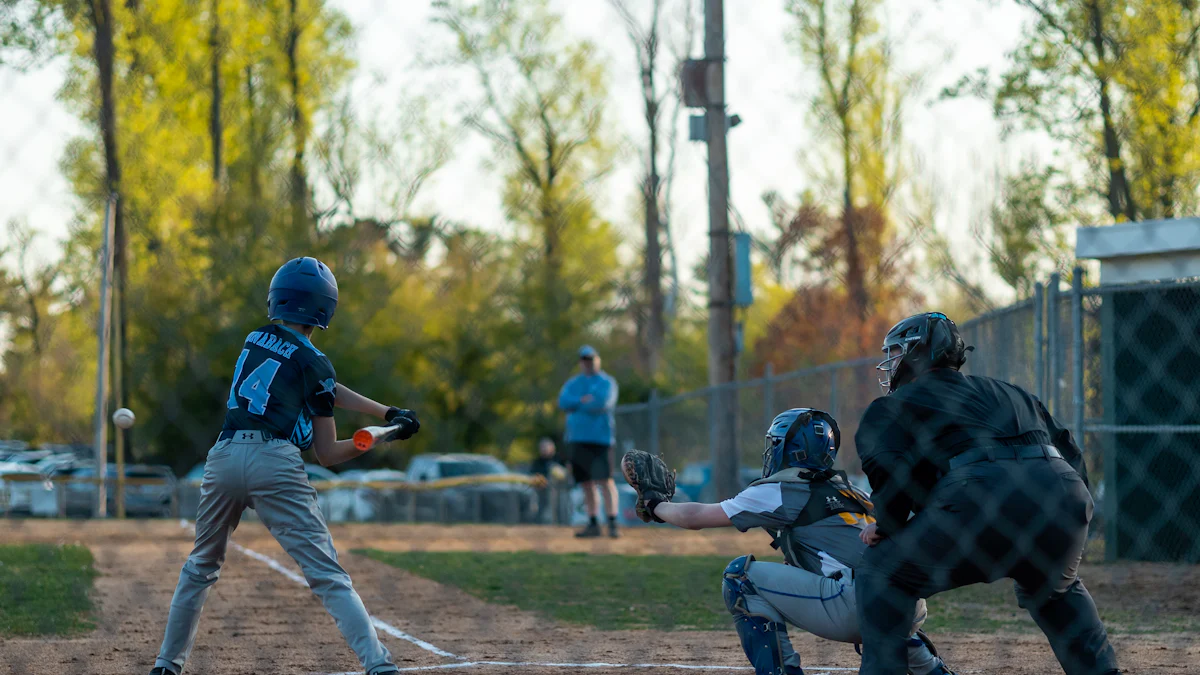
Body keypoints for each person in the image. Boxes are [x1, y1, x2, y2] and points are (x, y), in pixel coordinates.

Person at [148, 257, 420, 675]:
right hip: (274, 463)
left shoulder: (255, 337)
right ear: (325, 308)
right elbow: (326, 454)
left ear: (277, 300)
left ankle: (166, 665)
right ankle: (378, 665)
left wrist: (387, 413)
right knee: (326, 574)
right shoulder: (315, 363)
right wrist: (373, 442)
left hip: (221, 459)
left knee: (200, 566)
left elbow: (322, 387)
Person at [854, 312, 1121, 675]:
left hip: (980, 497)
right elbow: (1069, 451)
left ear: (918, 353)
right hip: (1062, 496)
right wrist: (1073, 523)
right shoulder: (1011, 392)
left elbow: (889, 465)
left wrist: (886, 524)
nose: (893, 361)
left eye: (899, 351)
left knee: (881, 571)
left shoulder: (893, 405)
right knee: (1056, 588)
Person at [621, 409, 956, 675]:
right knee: (879, 601)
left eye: (775, 443)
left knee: (740, 578)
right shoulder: (850, 489)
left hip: (854, 606)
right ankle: (932, 669)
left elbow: (697, 517)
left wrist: (655, 505)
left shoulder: (783, 488)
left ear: (789, 450)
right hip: (907, 604)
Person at [557, 345, 620, 538]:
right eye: (584, 360)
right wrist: (582, 401)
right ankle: (593, 523)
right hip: (577, 439)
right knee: (586, 483)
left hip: (600, 439)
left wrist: (578, 404)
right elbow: (563, 402)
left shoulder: (607, 382)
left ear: (598, 360)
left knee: (605, 480)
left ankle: (612, 522)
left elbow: (602, 403)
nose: (588, 363)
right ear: (580, 362)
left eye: (591, 359)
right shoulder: (573, 383)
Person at [529, 437, 567, 523]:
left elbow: (567, 474)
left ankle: (562, 523)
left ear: (552, 447)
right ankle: (542, 523)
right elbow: (533, 475)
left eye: (546, 447)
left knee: (561, 508)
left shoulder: (560, 459)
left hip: (560, 490)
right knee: (543, 511)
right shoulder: (537, 462)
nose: (544, 449)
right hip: (542, 491)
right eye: (542, 447)